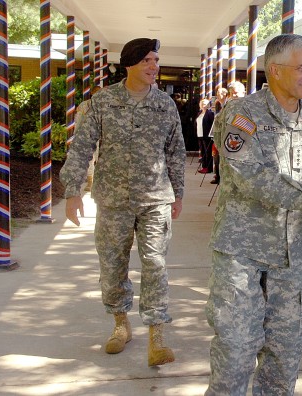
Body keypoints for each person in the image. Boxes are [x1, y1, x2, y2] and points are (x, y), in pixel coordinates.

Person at [204, 33, 302, 395]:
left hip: (292, 258)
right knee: (236, 352)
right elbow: (251, 178)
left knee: (284, 356)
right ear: (274, 70)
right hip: (242, 255)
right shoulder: (241, 115)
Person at [60, 37, 186, 367]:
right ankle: (120, 325)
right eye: (147, 60)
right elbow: (81, 148)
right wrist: (73, 191)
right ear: (128, 64)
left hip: (155, 199)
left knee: (155, 264)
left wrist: (179, 193)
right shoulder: (101, 103)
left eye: (156, 60)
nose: (154, 67)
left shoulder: (165, 105)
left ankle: (157, 334)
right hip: (113, 200)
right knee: (113, 265)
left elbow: (175, 151)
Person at [74, 85, 101, 192]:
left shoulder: (107, 106)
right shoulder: (84, 105)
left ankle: (97, 182)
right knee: (90, 159)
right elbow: (79, 121)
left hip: (102, 137)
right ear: (92, 94)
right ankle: (91, 182)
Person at [210, 87, 228, 184]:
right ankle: (217, 175)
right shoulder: (217, 104)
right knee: (215, 156)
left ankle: (221, 177)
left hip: (224, 135)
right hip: (216, 134)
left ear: (225, 94)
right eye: (217, 93)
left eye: (219, 93)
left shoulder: (228, 105)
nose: (217, 95)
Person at [196, 98, 214, 173]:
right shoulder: (199, 113)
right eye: (202, 104)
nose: (204, 105)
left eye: (206, 104)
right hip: (200, 134)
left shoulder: (210, 113)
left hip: (207, 135)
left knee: (208, 152)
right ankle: (204, 166)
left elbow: (212, 124)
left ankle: (208, 168)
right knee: (203, 151)